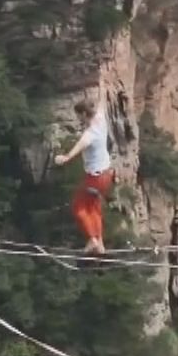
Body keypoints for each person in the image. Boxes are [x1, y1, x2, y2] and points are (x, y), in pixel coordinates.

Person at [55, 92, 114, 255]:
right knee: (94, 207)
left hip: (94, 178)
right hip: (107, 175)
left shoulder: (89, 135)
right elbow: (100, 105)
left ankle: (93, 239)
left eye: (78, 115)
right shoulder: (101, 119)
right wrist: (94, 100)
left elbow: (78, 148)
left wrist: (64, 158)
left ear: (83, 114)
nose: (78, 119)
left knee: (79, 207)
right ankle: (100, 243)